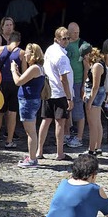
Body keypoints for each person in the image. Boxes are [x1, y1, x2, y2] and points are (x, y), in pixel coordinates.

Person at [36, 27, 74, 161]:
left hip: (49, 90)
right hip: (60, 92)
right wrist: (69, 97)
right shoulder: (62, 56)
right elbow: (64, 79)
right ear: (56, 39)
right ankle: (59, 153)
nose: (67, 41)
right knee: (60, 123)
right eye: (64, 38)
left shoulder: (50, 50)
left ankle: (39, 151)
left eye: (68, 38)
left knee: (45, 121)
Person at [0, 31, 24, 148]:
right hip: (15, 85)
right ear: (18, 42)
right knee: (12, 113)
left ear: (9, 40)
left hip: (1, 84)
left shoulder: (0, 50)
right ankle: (9, 141)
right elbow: (23, 72)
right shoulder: (21, 53)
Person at [10, 43, 45, 168]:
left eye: (27, 52)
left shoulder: (34, 68)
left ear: (34, 54)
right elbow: (24, 80)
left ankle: (32, 159)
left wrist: (13, 70)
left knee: (30, 132)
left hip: (28, 102)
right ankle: (32, 156)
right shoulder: (37, 68)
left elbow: (18, 82)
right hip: (31, 101)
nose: (25, 54)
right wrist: (18, 72)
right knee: (31, 131)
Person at [64, 22, 91, 149]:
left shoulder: (83, 46)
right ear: (68, 32)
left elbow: (87, 67)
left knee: (79, 110)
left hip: (78, 81)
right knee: (66, 108)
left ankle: (79, 137)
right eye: (74, 32)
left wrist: (83, 86)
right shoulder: (64, 43)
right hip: (66, 81)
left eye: (78, 32)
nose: (76, 34)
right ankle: (67, 134)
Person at [82, 47, 106, 156]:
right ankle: (97, 147)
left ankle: (91, 150)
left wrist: (90, 102)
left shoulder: (97, 66)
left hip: (95, 95)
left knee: (93, 124)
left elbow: (95, 86)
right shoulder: (97, 64)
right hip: (96, 94)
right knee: (97, 122)